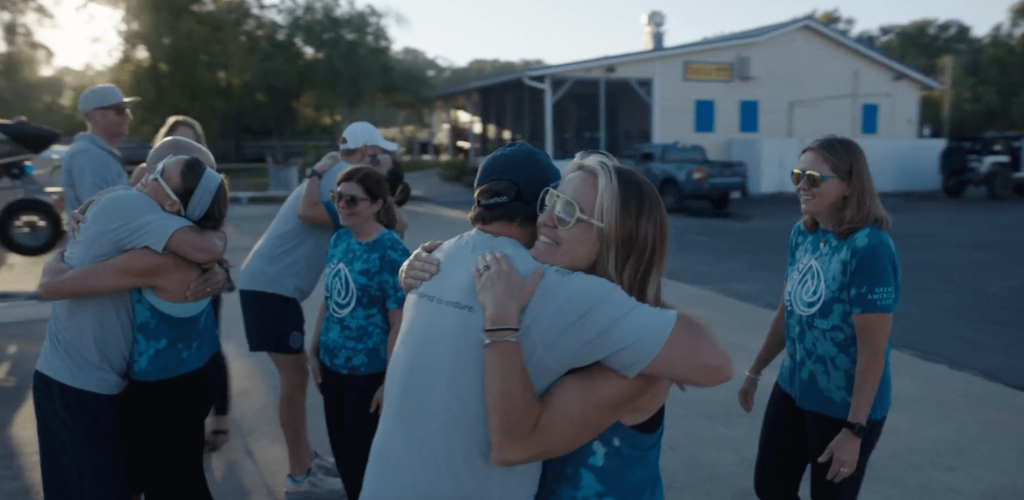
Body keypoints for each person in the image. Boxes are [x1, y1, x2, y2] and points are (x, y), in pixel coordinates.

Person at [359, 142, 733, 500]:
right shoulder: (554, 300)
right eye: (550, 200)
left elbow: (715, 362)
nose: (545, 219)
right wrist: (414, 269)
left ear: (616, 237)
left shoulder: (603, 327)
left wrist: (501, 318)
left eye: (568, 211)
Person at [33, 152, 228, 500]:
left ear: (170, 203)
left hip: (132, 391)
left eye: (157, 172)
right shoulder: (153, 221)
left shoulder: (149, 234)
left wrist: (58, 257)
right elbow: (208, 242)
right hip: (102, 381)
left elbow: (51, 287)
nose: (145, 171)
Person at [237, 121, 398, 499]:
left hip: (273, 288)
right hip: (271, 289)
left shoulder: (335, 177)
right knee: (294, 382)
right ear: (365, 153)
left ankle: (305, 459)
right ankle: (298, 473)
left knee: (295, 380)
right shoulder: (342, 183)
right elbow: (309, 212)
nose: (385, 159)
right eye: (380, 153)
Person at [737, 136, 900, 500]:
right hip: (794, 388)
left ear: (848, 185)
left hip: (843, 405)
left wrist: (854, 431)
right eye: (798, 174)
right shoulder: (803, 234)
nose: (801, 185)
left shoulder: (869, 248)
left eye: (813, 177)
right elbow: (787, 311)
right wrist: (755, 369)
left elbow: (872, 351)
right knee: (770, 487)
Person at [308, 166, 409, 500]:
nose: (341, 205)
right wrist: (315, 345)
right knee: (343, 455)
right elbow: (331, 296)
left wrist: (388, 381)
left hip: (367, 374)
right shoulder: (339, 239)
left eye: (352, 200)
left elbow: (400, 323)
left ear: (377, 204)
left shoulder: (391, 252)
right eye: (337, 197)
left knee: (365, 462)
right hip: (332, 364)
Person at [61, 84, 139, 219]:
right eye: (120, 110)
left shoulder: (97, 153)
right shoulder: (88, 155)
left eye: (127, 110)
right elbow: (101, 214)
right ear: (95, 116)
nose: (127, 117)